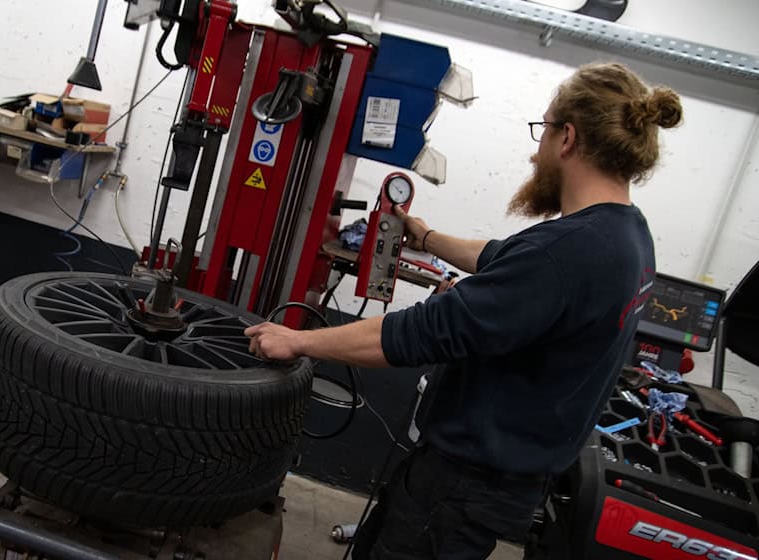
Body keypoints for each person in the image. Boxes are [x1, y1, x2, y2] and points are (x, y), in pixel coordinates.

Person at [245, 62, 683, 559]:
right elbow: (502, 257)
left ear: (568, 138)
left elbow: (420, 333)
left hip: (462, 486)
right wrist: (426, 237)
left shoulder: (569, 251)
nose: (535, 149)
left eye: (542, 131)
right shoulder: (626, 235)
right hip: (503, 479)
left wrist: (299, 340)